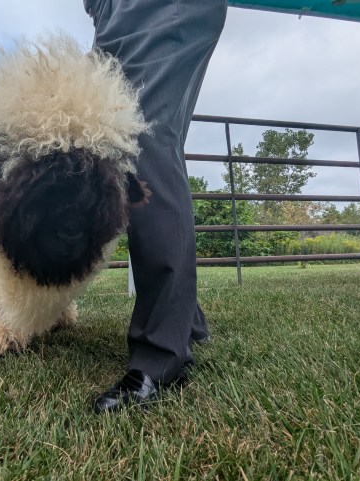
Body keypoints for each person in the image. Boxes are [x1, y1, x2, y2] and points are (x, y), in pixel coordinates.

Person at [83, 0, 228, 413]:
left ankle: (161, 356)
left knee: (145, 142)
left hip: (166, 6)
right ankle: (186, 320)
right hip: (113, 13)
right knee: (120, 141)